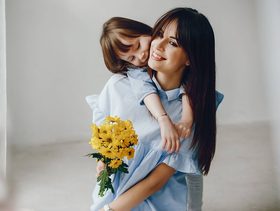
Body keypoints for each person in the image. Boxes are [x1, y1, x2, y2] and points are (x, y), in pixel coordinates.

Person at [86, 7, 223, 210]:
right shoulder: (119, 86)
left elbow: (157, 181)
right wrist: (104, 159)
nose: (158, 45)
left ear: (190, 58)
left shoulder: (190, 114)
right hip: (116, 190)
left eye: (173, 43)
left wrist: (112, 210)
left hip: (158, 200)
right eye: (159, 34)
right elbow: (103, 127)